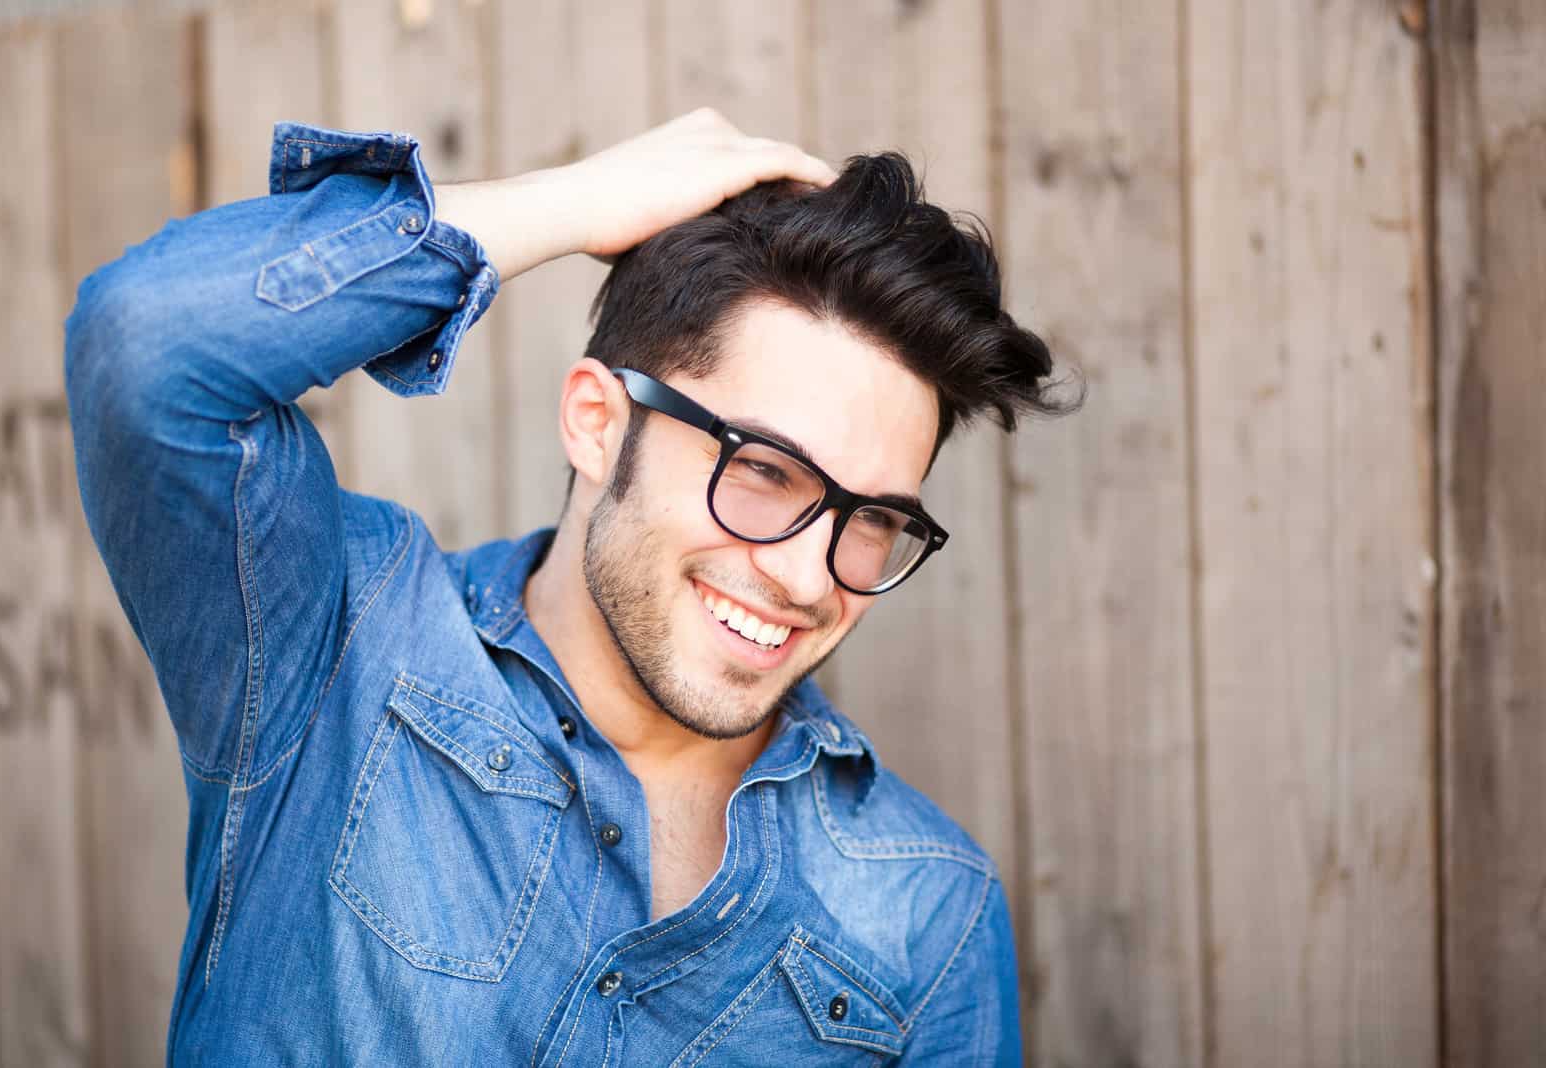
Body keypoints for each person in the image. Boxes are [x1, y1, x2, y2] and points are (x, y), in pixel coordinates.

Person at [65, 108, 1063, 1066]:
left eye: (873, 519)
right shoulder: (337, 645)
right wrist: (579, 201)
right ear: (597, 422)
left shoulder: (928, 914)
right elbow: (149, 342)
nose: (809, 578)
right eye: (762, 471)